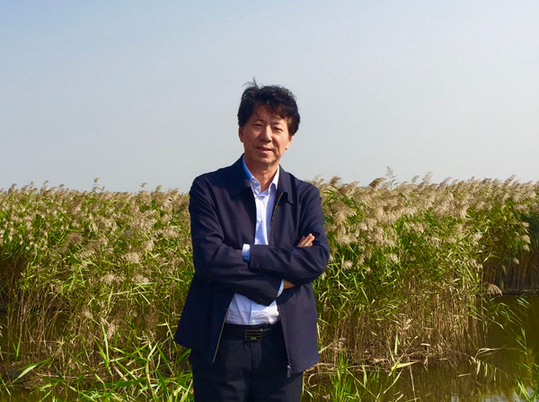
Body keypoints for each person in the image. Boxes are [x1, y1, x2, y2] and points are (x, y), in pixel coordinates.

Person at [174, 82, 330, 402]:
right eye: (257, 125)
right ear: (241, 132)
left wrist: (247, 253)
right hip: (221, 346)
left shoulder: (304, 196)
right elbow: (210, 260)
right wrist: (278, 282)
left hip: (282, 346)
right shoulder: (210, 189)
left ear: (289, 139)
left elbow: (315, 259)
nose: (266, 136)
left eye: (277, 127)